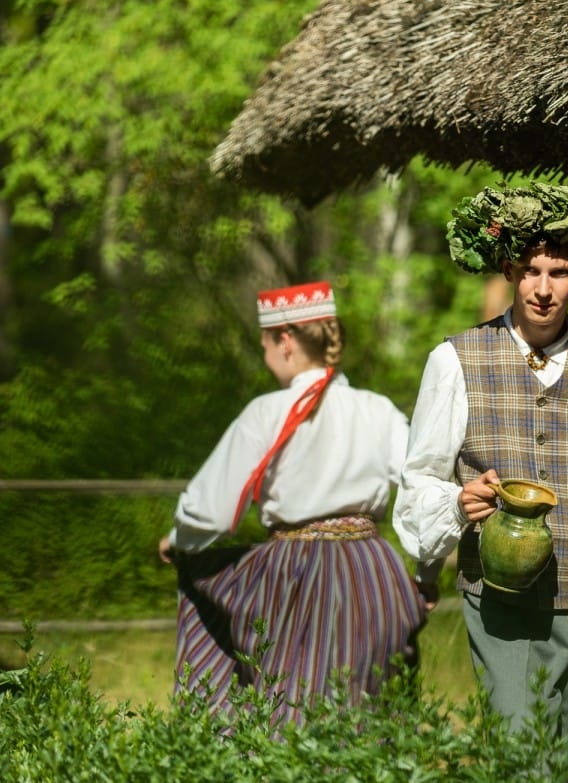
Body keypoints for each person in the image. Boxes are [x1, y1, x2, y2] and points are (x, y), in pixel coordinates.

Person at [393, 182, 568, 783]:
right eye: (530, 271)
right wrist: (457, 502)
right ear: (509, 269)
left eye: (561, 271)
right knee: (520, 764)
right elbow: (419, 481)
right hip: (500, 606)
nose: (544, 289)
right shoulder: (456, 358)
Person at [158, 281, 426, 725]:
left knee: (293, 702)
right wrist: (425, 567)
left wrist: (178, 541)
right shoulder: (378, 410)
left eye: (264, 343)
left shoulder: (265, 412)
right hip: (373, 574)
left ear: (283, 342)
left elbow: (210, 509)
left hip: (294, 576)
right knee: (370, 709)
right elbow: (421, 487)